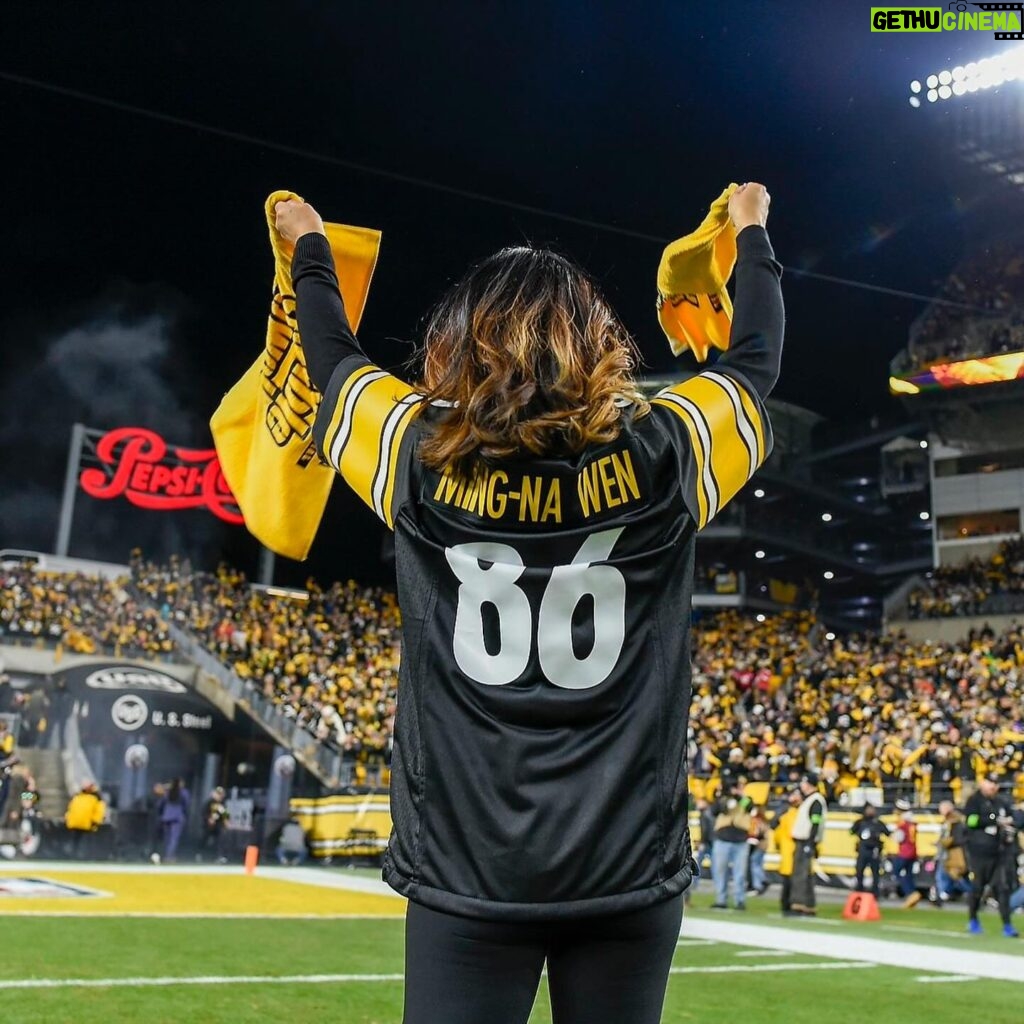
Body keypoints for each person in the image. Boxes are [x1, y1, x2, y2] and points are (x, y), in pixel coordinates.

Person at [276, 179, 783, 1024]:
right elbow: (755, 361)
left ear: (458, 342)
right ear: (597, 342)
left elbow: (333, 361)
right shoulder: (666, 451)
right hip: (627, 866)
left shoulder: (418, 453)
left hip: (467, 872)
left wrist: (311, 248)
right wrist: (752, 235)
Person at [963, 774, 1018, 937]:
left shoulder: (1001, 802)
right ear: (982, 783)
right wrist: (994, 820)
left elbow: (1013, 819)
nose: (993, 786)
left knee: (1003, 888)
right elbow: (971, 821)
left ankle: (1007, 925)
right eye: (990, 783)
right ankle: (973, 920)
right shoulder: (974, 801)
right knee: (978, 887)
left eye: (995, 783)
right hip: (979, 851)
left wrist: (1011, 824)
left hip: (999, 851)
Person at [710, 776, 753, 910]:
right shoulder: (723, 798)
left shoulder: (746, 799)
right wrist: (726, 794)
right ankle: (721, 900)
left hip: (740, 840)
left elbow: (749, 806)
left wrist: (740, 795)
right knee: (720, 871)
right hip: (723, 839)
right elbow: (715, 810)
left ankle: (739, 901)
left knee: (739, 874)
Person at [789, 773, 827, 916]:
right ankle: (809, 905)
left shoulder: (815, 801)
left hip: (805, 841)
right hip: (805, 841)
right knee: (805, 874)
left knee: (801, 874)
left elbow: (815, 823)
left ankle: (799, 905)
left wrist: (810, 843)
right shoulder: (811, 800)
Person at [932, 799, 971, 905]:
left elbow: (956, 838)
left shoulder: (954, 823)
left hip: (952, 854)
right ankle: (942, 895)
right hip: (952, 853)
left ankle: (942, 895)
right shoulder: (956, 821)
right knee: (949, 876)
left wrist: (945, 842)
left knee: (949, 875)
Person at [772, 789, 802, 916]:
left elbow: (777, 835)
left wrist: (778, 846)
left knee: (789, 882)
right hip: (791, 851)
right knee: (791, 882)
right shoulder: (791, 815)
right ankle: (788, 905)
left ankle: (787, 905)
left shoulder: (786, 814)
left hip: (788, 852)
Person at [850, 803, 889, 898]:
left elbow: (887, 833)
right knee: (859, 871)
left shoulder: (878, 823)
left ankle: (875, 893)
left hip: (874, 850)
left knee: (875, 873)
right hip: (863, 849)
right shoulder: (860, 822)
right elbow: (851, 831)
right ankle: (859, 890)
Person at [64, 782, 105, 858]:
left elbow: (99, 811)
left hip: (86, 824)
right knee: (77, 841)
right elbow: (71, 809)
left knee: (84, 842)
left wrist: (95, 821)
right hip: (79, 824)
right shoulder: (78, 797)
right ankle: (75, 856)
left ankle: (83, 856)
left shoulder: (92, 798)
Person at [892, 802, 921, 908]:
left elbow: (899, 838)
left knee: (896, 871)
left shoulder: (902, 823)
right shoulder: (912, 822)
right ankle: (913, 895)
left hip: (905, 852)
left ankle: (910, 893)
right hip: (913, 851)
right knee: (908, 874)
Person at [156, 778, 190, 864]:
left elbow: (160, 804)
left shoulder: (167, 792)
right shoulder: (183, 792)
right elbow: (186, 804)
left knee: (167, 838)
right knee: (174, 838)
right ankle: (169, 856)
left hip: (166, 816)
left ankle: (166, 855)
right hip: (178, 817)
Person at [199, 786, 230, 863]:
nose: (220, 796)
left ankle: (220, 856)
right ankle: (200, 854)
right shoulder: (209, 802)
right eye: (218, 794)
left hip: (218, 825)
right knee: (204, 839)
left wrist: (226, 821)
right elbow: (204, 813)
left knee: (221, 839)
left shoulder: (222, 804)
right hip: (208, 826)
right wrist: (208, 819)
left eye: (221, 794)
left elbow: (225, 814)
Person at [747, 806, 771, 896]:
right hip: (762, 845)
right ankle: (760, 882)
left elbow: (758, 833)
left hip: (760, 845)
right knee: (757, 863)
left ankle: (760, 883)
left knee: (754, 862)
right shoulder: (763, 820)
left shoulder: (759, 821)